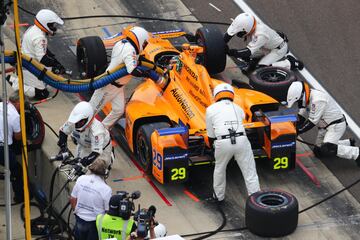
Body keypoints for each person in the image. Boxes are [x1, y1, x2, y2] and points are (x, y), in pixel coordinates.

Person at [89, 26, 165, 129]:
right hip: (107, 86)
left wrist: (155, 67)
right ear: (140, 39)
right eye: (144, 43)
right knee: (89, 112)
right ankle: (70, 131)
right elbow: (133, 70)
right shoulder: (129, 50)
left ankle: (101, 130)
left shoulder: (125, 45)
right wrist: (150, 74)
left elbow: (139, 60)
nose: (145, 45)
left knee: (118, 110)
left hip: (118, 87)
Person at [205, 83, 260, 202]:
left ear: (216, 96)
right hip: (241, 140)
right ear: (231, 95)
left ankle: (218, 197)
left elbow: (210, 135)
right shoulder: (238, 108)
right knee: (249, 171)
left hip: (223, 142)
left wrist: (213, 147)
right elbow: (242, 118)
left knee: (220, 169)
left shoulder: (210, 109)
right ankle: (255, 199)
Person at [286, 81, 360, 166]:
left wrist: (297, 131)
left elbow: (311, 122)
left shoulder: (318, 100)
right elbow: (301, 117)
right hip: (324, 127)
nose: (298, 103)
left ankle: (356, 153)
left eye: (298, 100)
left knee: (327, 148)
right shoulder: (307, 96)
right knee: (318, 152)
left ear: (301, 96)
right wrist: (293, 128)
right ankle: (348, 143)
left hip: (335, 126)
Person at [8, 9, 65, 100]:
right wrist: (56, 65)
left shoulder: (33, 29)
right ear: (46, 24)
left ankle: (26, 81)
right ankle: (14, 82)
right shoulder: (39, 37)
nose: (54, 27)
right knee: (42, 94)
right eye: (52, 25)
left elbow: (44, 51)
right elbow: (43, 59)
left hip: (28, 63)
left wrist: (55, 62)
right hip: (28, 68)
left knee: (50, 78)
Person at [224, 12, 304, 73]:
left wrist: (231, 52)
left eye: (240, 33)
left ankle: (291, 63)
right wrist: (223, 43)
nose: (239, 35)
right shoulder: (250, 22)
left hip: (277, 49)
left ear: (247, 29)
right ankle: (255, 60)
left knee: (262, 69)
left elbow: (248, 51)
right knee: (243, 56)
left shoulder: (260, 35)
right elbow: (229, 34)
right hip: (265, 46)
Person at [57, 101, 113, 169]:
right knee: (74, 167)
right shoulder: (73, 121)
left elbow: (96, 152)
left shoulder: (97, 130)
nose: (77, 124)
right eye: (76, 121)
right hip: (83, 145)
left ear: (88, 118)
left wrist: (84, 162)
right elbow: (63, 132)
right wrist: (63, 148)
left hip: (101, 149)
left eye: (80, 121)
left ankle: (111, 157)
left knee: (100, 169)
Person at [70, 159, 112, 240]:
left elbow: (72, 198)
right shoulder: (106, 189)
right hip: (95, 223)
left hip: (79, 218)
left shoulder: (81, 179)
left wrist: (76, 211)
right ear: (105, 172)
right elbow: (107, 211)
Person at [0, 91, 24, 203]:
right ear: (18, 103)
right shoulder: (15, 116)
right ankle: (19, 197)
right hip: (2, 148)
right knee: (17, 170)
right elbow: (18, 137)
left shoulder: (0, 105)